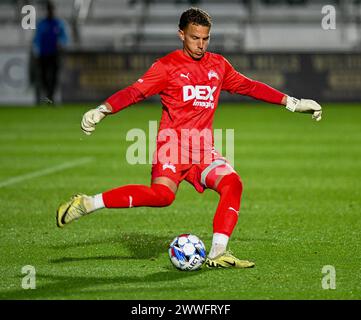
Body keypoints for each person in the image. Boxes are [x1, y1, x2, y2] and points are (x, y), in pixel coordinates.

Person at [56, 8, 322, 268]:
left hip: (203, 150)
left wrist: (293, 103)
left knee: (233, 183)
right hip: (172, 146)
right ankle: (88, 203)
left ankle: (218, 252)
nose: (201, 44)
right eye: (195, 38)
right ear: (181, 34)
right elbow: (134, 92)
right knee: (162, 196)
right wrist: (103, 110)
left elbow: (250, 86)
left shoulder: (218, 65)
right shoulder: (166, 67)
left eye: (206, 38)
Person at [32, 1, 68, 104]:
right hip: (43, 54)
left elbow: (65, 38)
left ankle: (50, 96)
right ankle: (48, 95)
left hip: (55, 54)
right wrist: (36, 51)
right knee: (43, 76)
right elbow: (37, 38)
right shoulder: (42, 24)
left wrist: (61, 43)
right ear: (47, 11)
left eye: (52, 10)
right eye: (49, 10)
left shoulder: (59, 23)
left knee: (54, 76)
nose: (50, 12)